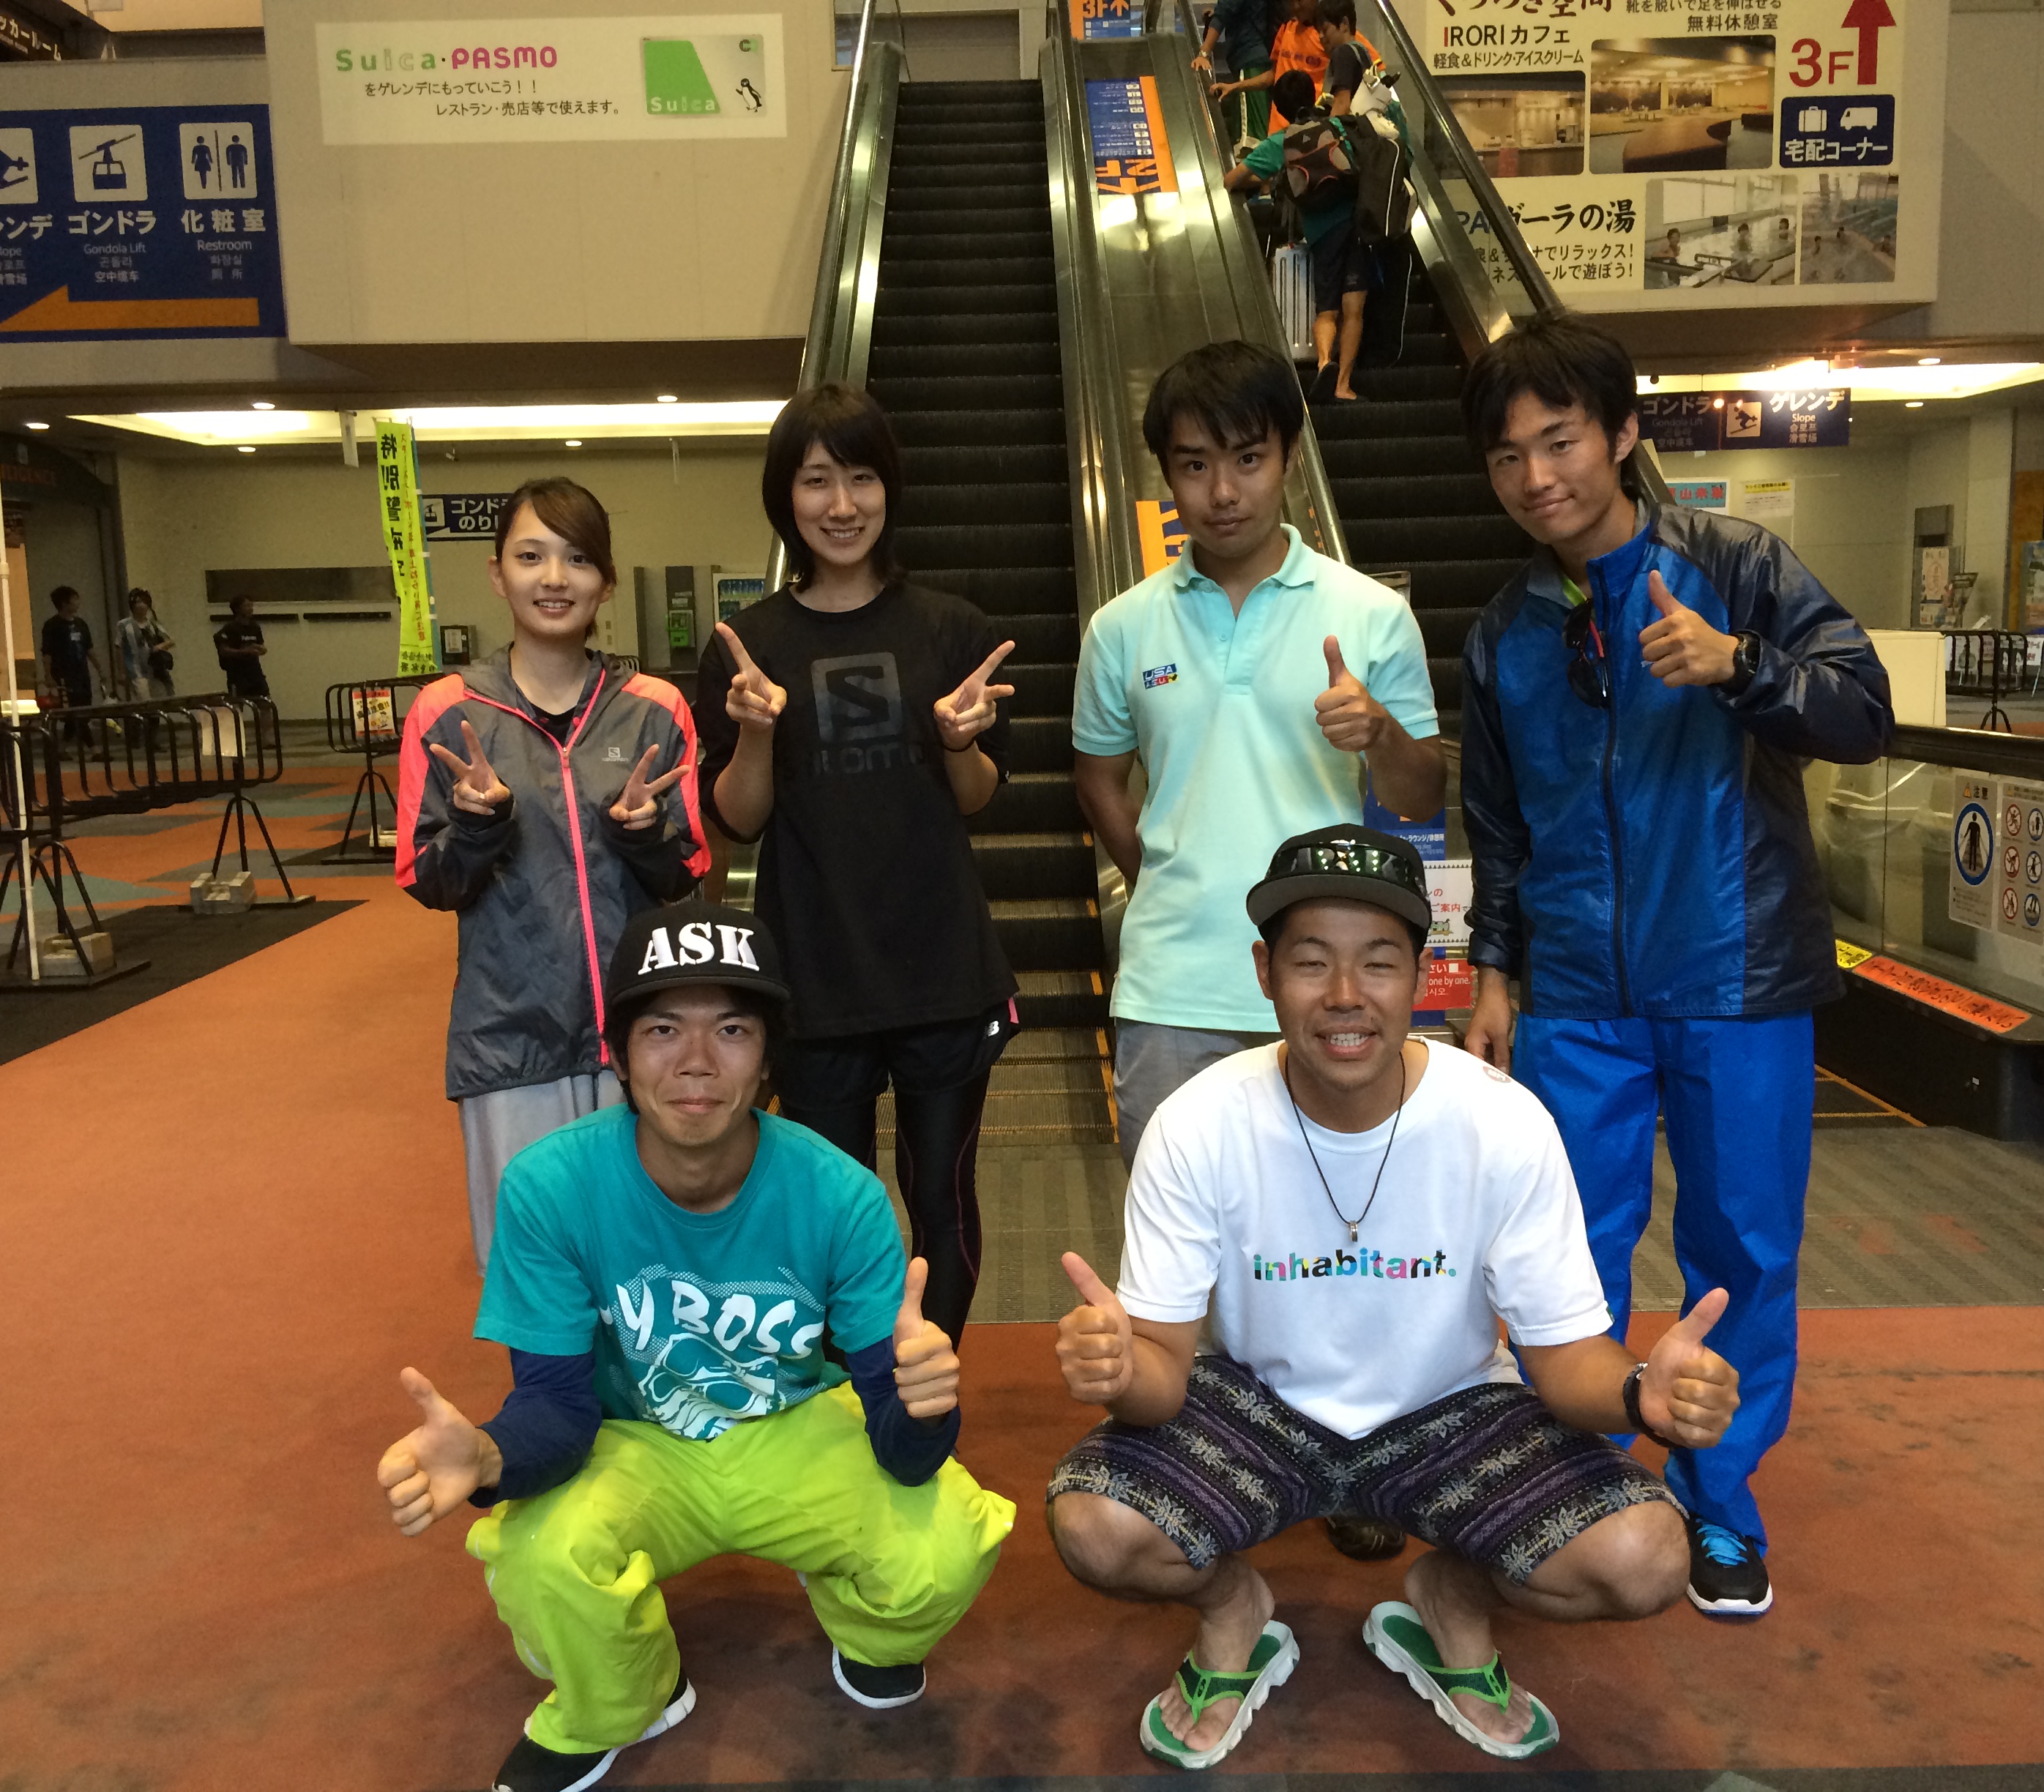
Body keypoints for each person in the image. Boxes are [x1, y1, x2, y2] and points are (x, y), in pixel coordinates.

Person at [1044, 827, 1740, 1768]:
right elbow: (1163, 1376)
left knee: (1646, 1557)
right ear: (1264, 972)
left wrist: (1638, 1393)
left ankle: (1450, 1596)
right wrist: (1121, 1369)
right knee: (1096, 1525)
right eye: (1310, 962)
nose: (1345, 995)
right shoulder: (1198, 1125)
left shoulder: (1501, 1121)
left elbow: (1566, 1357)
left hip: (1450, 1407)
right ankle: (1233, 1609)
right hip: (1257, 1404)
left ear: (1420, 975)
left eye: (1378, 962)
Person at [376, 899, 1015, 1792]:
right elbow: (555, 1407)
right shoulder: (550, 1186)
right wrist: (489, 1456)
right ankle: (628, 1696)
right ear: (619, 1054)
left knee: (945, 1542)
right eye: (663, 1029)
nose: (697, 1062)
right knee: (538, 1560)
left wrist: (923, 1409)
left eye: (734, 1030)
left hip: (794, 1425)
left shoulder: (840, 1194)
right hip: (632, 1441)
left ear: (769, 1061)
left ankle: (864, 1627)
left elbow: (904, 1454)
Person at [1457, 316, 1892, 1619]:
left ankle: (1717, 1497)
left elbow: (1862, 710)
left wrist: (1740, 665)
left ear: (1622, 435)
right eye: (1508, 456)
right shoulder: (1503, 630)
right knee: (1558, 1250)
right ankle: (1578, 1485)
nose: (1537, 477)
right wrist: (1494, 973)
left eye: (1560, 441)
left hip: (1737, 970)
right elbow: (1496, 824)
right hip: (1574, 995)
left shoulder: (1734, 566)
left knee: (1741, 1246)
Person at [1072, 341, 1441, 1562]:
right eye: (1193, 465)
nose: (1221, 489)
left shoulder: (1367, 614)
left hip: (1331, 983)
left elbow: (1419, 791)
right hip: (1173, 980)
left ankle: (1354, 1462)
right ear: (1165, 478)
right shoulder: (1124, 626)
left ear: (1287, 456)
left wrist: (1377, 733)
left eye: (1245, 457)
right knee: (1181, 1249)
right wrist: (1163, 870)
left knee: (1349, 1231)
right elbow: (1098, 771)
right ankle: (1206, 1464)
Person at [693, 384, 1018, 1346]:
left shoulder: (951, 629)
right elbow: (738, 819)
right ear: (783, 496)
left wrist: (958, 740)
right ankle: (849, 1395)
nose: (842, 504)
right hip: (812, 973)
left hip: (941, 968)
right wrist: (755, 732)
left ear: (890, 489)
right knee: (831, 1212)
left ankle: (928, 1387)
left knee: (941, 1200)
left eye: (862, 478)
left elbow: (977, 798)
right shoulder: (750, 646)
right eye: (816, 480)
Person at [398, 477, 709, 1269]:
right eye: (530, 556)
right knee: (533, 1267)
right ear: (497, 575)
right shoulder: (447, 712)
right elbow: (426, 877)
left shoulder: (654, 708)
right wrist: (477, 826)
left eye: (577, 558)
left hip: (645, 1039)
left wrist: (644, 834)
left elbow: (686, 870)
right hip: (511, 1042)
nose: (554, 578)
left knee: (653, 1267)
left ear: (606, 580)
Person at [1225, 71, 1369, 401]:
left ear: (1279, 107)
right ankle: (1344, 385)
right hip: (1357, 223)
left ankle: (1323, 363)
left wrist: (1274, 175)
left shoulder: (1281, 141)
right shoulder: (1338, 127)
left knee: (1327, 310)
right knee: (1354, 307)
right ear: (1313, 95)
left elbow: (1231, 180)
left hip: (1321, 232)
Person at [1215, 0, 1325, 128]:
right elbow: (1272, 75)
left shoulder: (1326, 37)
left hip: (1312, 129)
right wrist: (1235, 87)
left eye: (1300, 1)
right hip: (1278, 128)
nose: (1295, 6)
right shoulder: (1287, 28)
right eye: (1291, 1)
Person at [1193, 0, 1273, 145]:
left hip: (1249, 60)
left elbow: (1223, 12)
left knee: (1250, 140)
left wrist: (1203, 54)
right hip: (1257, 58)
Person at [38, 586, 102, 742]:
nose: (78, 602)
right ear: (64, 603)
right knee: (73, 711)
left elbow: (89, 649)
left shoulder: (81, 624)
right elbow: (47, 653)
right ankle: (94, 748)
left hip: (82, 674)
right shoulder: (52, 626)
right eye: (74, 599)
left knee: (83, 710)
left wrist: (100, 669)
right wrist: (48, 676)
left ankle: (63, 748)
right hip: (63, 676)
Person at [113, 589, 175, 700]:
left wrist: (160, 647)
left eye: (145, 602)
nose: (142, 605)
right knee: (144, 699)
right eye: (138, 602)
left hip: (154, 670)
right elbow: (119, 647)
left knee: (159, 700)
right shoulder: (124, 625)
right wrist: (121, 672)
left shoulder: (153, 624)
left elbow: (171, 641)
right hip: (136, 671)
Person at [213, 594, 269, 699]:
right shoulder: (230, 628)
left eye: (251, 606)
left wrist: (261, 649)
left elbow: (261, 646)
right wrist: (245, 651)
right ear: (238, 609)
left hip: (255, 672)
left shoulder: (255, 627)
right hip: (237, 674)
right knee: (237, 703)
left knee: (265, 701)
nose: (251, 609)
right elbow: (224, 650)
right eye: (247, 606)